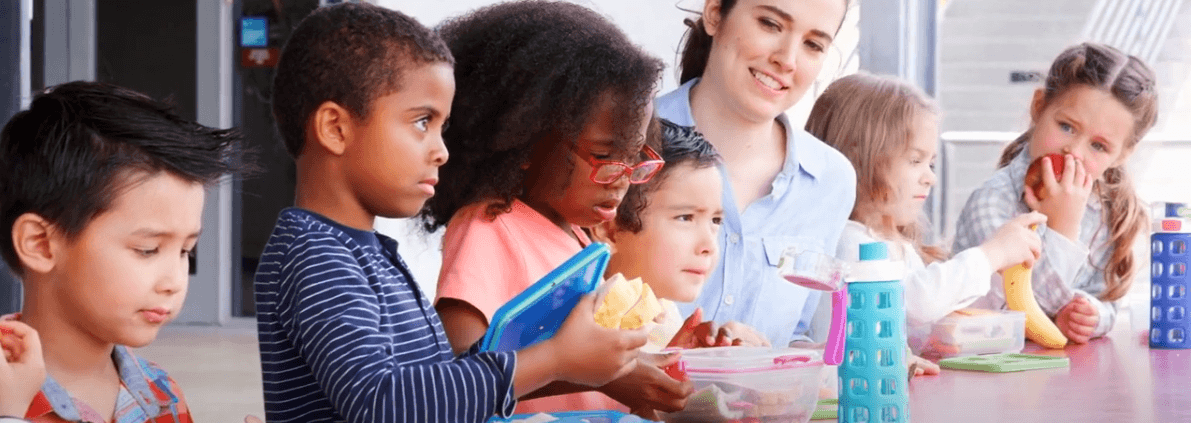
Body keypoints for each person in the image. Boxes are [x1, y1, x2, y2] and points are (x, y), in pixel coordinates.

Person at [255, 4, 646, 422]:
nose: (441, 151)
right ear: (335, 128)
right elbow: (382, 403)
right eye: (423, 122)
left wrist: (576, 366)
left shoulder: (359, 253)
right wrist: (550, 360)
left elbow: (443, 384)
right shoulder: (317, 257)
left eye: (443, 127)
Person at [0, 81, 250, 422]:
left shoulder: (163, 394)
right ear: (40, 244)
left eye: (185, 252)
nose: (174, 282)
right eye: (148, 250)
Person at [807, 73, 1044, 369]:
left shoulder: (894, 244)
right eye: (915, 160)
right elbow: (917, 303)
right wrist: (990, 254)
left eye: (930, 163)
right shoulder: (850, 242)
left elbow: (927, 316)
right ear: (861, 159)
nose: (930, 177)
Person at [655, 0, 858, 347]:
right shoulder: (625, 144)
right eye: (770, 24)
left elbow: (796, 336)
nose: (788, 59)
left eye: (813, 44)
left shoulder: (831, 180)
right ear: (715, 13)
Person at [953, 42, 1158, 344]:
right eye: (1066, 126)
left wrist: (1091, 315)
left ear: (1122, 154)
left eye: (1098, 146)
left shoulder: (1106, 211)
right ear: (1039, 107)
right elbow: (1027, 305)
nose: (1073, 151)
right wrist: (1063, 227)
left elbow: (1106, 301)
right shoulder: (992, 203)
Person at [591, 119, 771, 352]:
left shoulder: (662, 312)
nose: (709, 246)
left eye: (716, 221)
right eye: (685, 218)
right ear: (610, 230)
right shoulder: (592, 323)